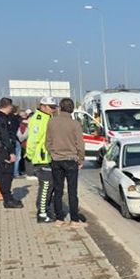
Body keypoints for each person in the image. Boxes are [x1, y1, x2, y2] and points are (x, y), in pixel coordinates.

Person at [46, 97, 85, 228]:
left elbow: (48, 142)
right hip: (71, 160)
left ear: (60, 108)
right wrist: (81, 159)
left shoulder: (51, 122)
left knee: (58, 190)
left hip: (56, 160)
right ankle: (74, 220)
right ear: (72, 109)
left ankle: (59, 219)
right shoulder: (75, 124)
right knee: (72, 191)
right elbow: (80, 144)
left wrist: (53, 152)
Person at [26, 97, 58, 223]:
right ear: (43, 106)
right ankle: (42, 214)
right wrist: (30, 155)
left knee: (50, 186)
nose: (53, 110)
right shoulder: (39, 119)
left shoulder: (47, 117)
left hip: (48, 157)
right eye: (51, 107)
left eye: (54, 107)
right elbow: (33, 140)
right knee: (45, 186)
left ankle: (47, 210)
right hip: (41, 158)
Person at [0, 97, 23, 208]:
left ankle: (8, 197)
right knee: (6, 174)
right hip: (5, 149)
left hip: (3, 148)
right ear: (8, 106)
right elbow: (5, 136)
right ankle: (7, 200)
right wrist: (11, 152)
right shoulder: (1, 118)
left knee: (6, 174)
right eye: (11, 106)